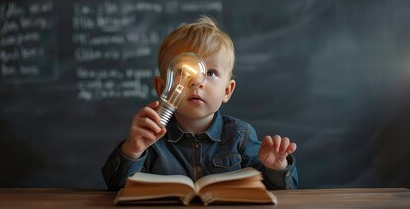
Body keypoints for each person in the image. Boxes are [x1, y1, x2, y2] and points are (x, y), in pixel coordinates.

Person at [102, 15, 298, 191]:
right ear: (162, 88)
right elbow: (117, 187)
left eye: (211, 73)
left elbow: (277, 193)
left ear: (227, 91)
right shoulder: (151, 139)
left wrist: (276, 168)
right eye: (182, 72)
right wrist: (133, 150)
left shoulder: (240, 137)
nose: (196, 81)